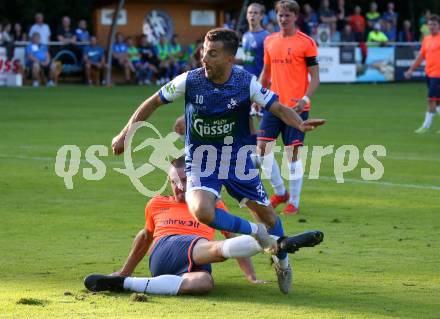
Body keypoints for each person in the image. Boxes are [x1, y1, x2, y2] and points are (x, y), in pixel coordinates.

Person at [111, 28, 325, 294]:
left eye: (212, 53)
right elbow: (153, 102)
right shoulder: (189, 80)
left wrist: (300, 125)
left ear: (229, 59)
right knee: (202, 211)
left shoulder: (245, 82)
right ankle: (257, 234)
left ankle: (282, 260)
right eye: (203, 51)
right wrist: (125, 132)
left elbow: (279, 108)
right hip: (201, 161)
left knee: (269, 216)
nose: (204, 58)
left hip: (237, 162)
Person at [83, 156, 325, 295]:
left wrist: (250, 276)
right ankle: (278, 243)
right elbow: (144, 238)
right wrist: (125, 267)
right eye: (174, 182)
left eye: (185, 181)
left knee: (205, 283)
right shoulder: (157, 203)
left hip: (195, 261)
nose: (179, 187)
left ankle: (123, 285)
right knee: (213, 248)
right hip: (166, 249)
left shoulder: (210, 205)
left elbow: (231, 235)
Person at [256, 0, 320, 215]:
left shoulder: (306, 42)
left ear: (295, 17)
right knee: (262, 150)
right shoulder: (269, 41)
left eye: (287, 15)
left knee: (292, 153)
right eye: (280, 15)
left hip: (296, 108)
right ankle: (280, 192)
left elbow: (316, 77)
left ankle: (294, 201)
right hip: (273, 105)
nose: (283, 19)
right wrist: (256, 94)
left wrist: (304, 99)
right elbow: (265, 73)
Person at [405, 15, 440, 134]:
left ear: (438, 25)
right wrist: (411, 70)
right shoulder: (426, 39)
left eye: (434, 24)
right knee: (437, 102)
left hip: (438, 75)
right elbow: (421, 57)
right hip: (429, 74)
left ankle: (425, 126)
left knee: (430, 100)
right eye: (430, 24)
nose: (431, 26)